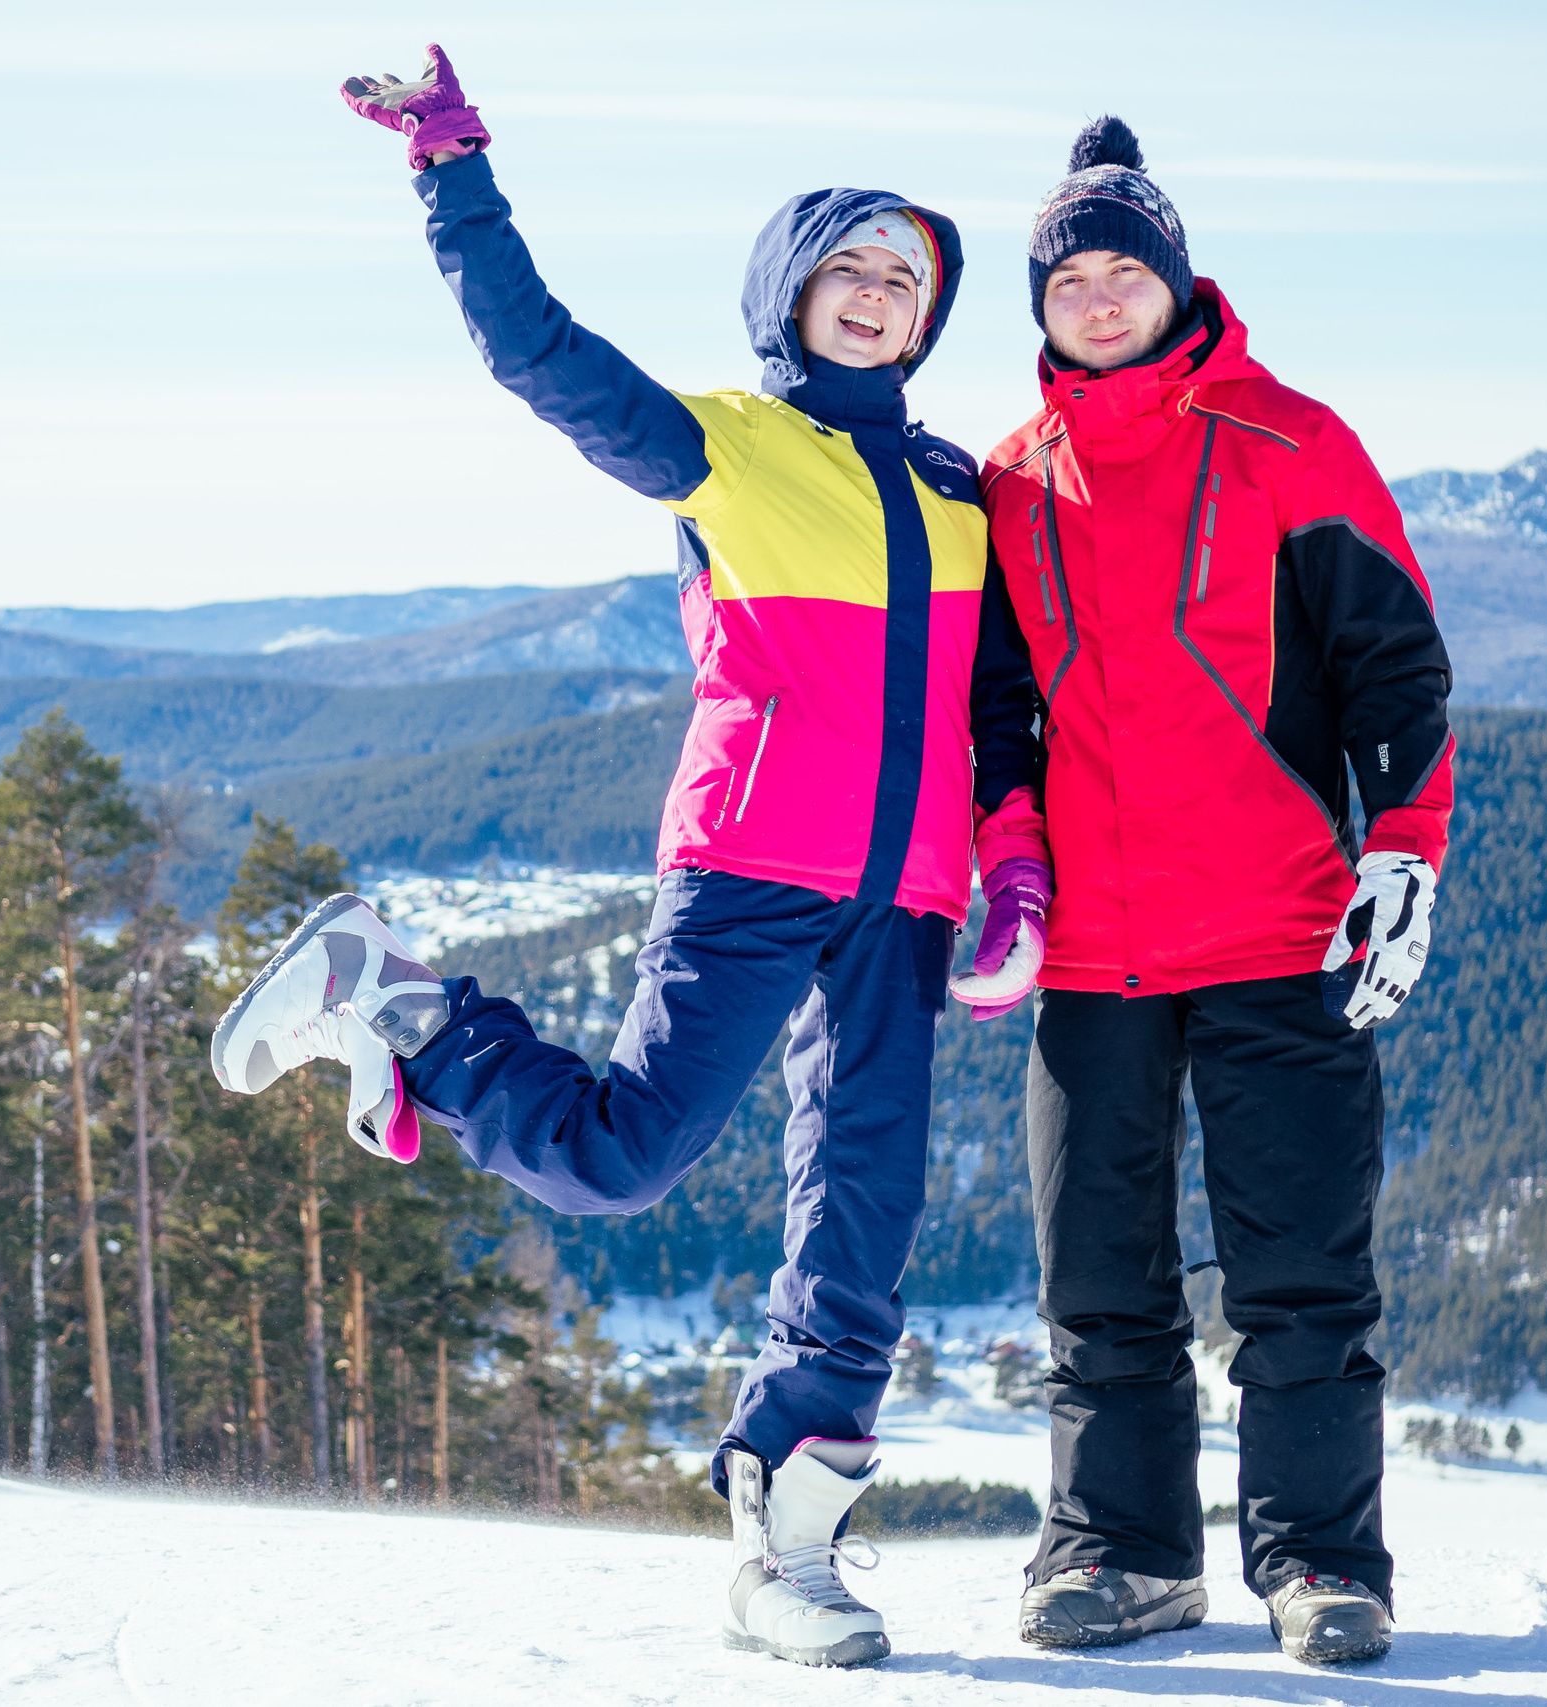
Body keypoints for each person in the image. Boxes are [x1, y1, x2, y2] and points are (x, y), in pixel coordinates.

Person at [209, 44, 1050, 1671]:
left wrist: (1008, 860)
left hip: (909, 904)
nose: (880, 295)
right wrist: (455, 173)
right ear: (792, 295)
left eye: (909, 275)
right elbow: (540, 354)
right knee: (621, 1160)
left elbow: (1001, 702)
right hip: (752, 865)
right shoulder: (726, 448)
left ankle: (792, 1546)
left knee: (864, 1218)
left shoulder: (964, 492)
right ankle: (407, 1013)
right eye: (852, 269)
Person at [978, 118, 1454, 1667]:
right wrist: (1006, 858)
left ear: (1178, 281)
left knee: (1303, 1277)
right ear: (1041, 302)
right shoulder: (1008, 479)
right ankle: (1122, 1555)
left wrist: (1404, 851)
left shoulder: (1290, 439)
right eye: (1074, 277)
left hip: (1278, 929)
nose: (1101, 299)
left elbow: (1395, 665)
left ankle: (1322, 1565)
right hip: (1091, 954)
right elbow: (996, 718)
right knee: (1097, 1283)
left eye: (1128, 270)